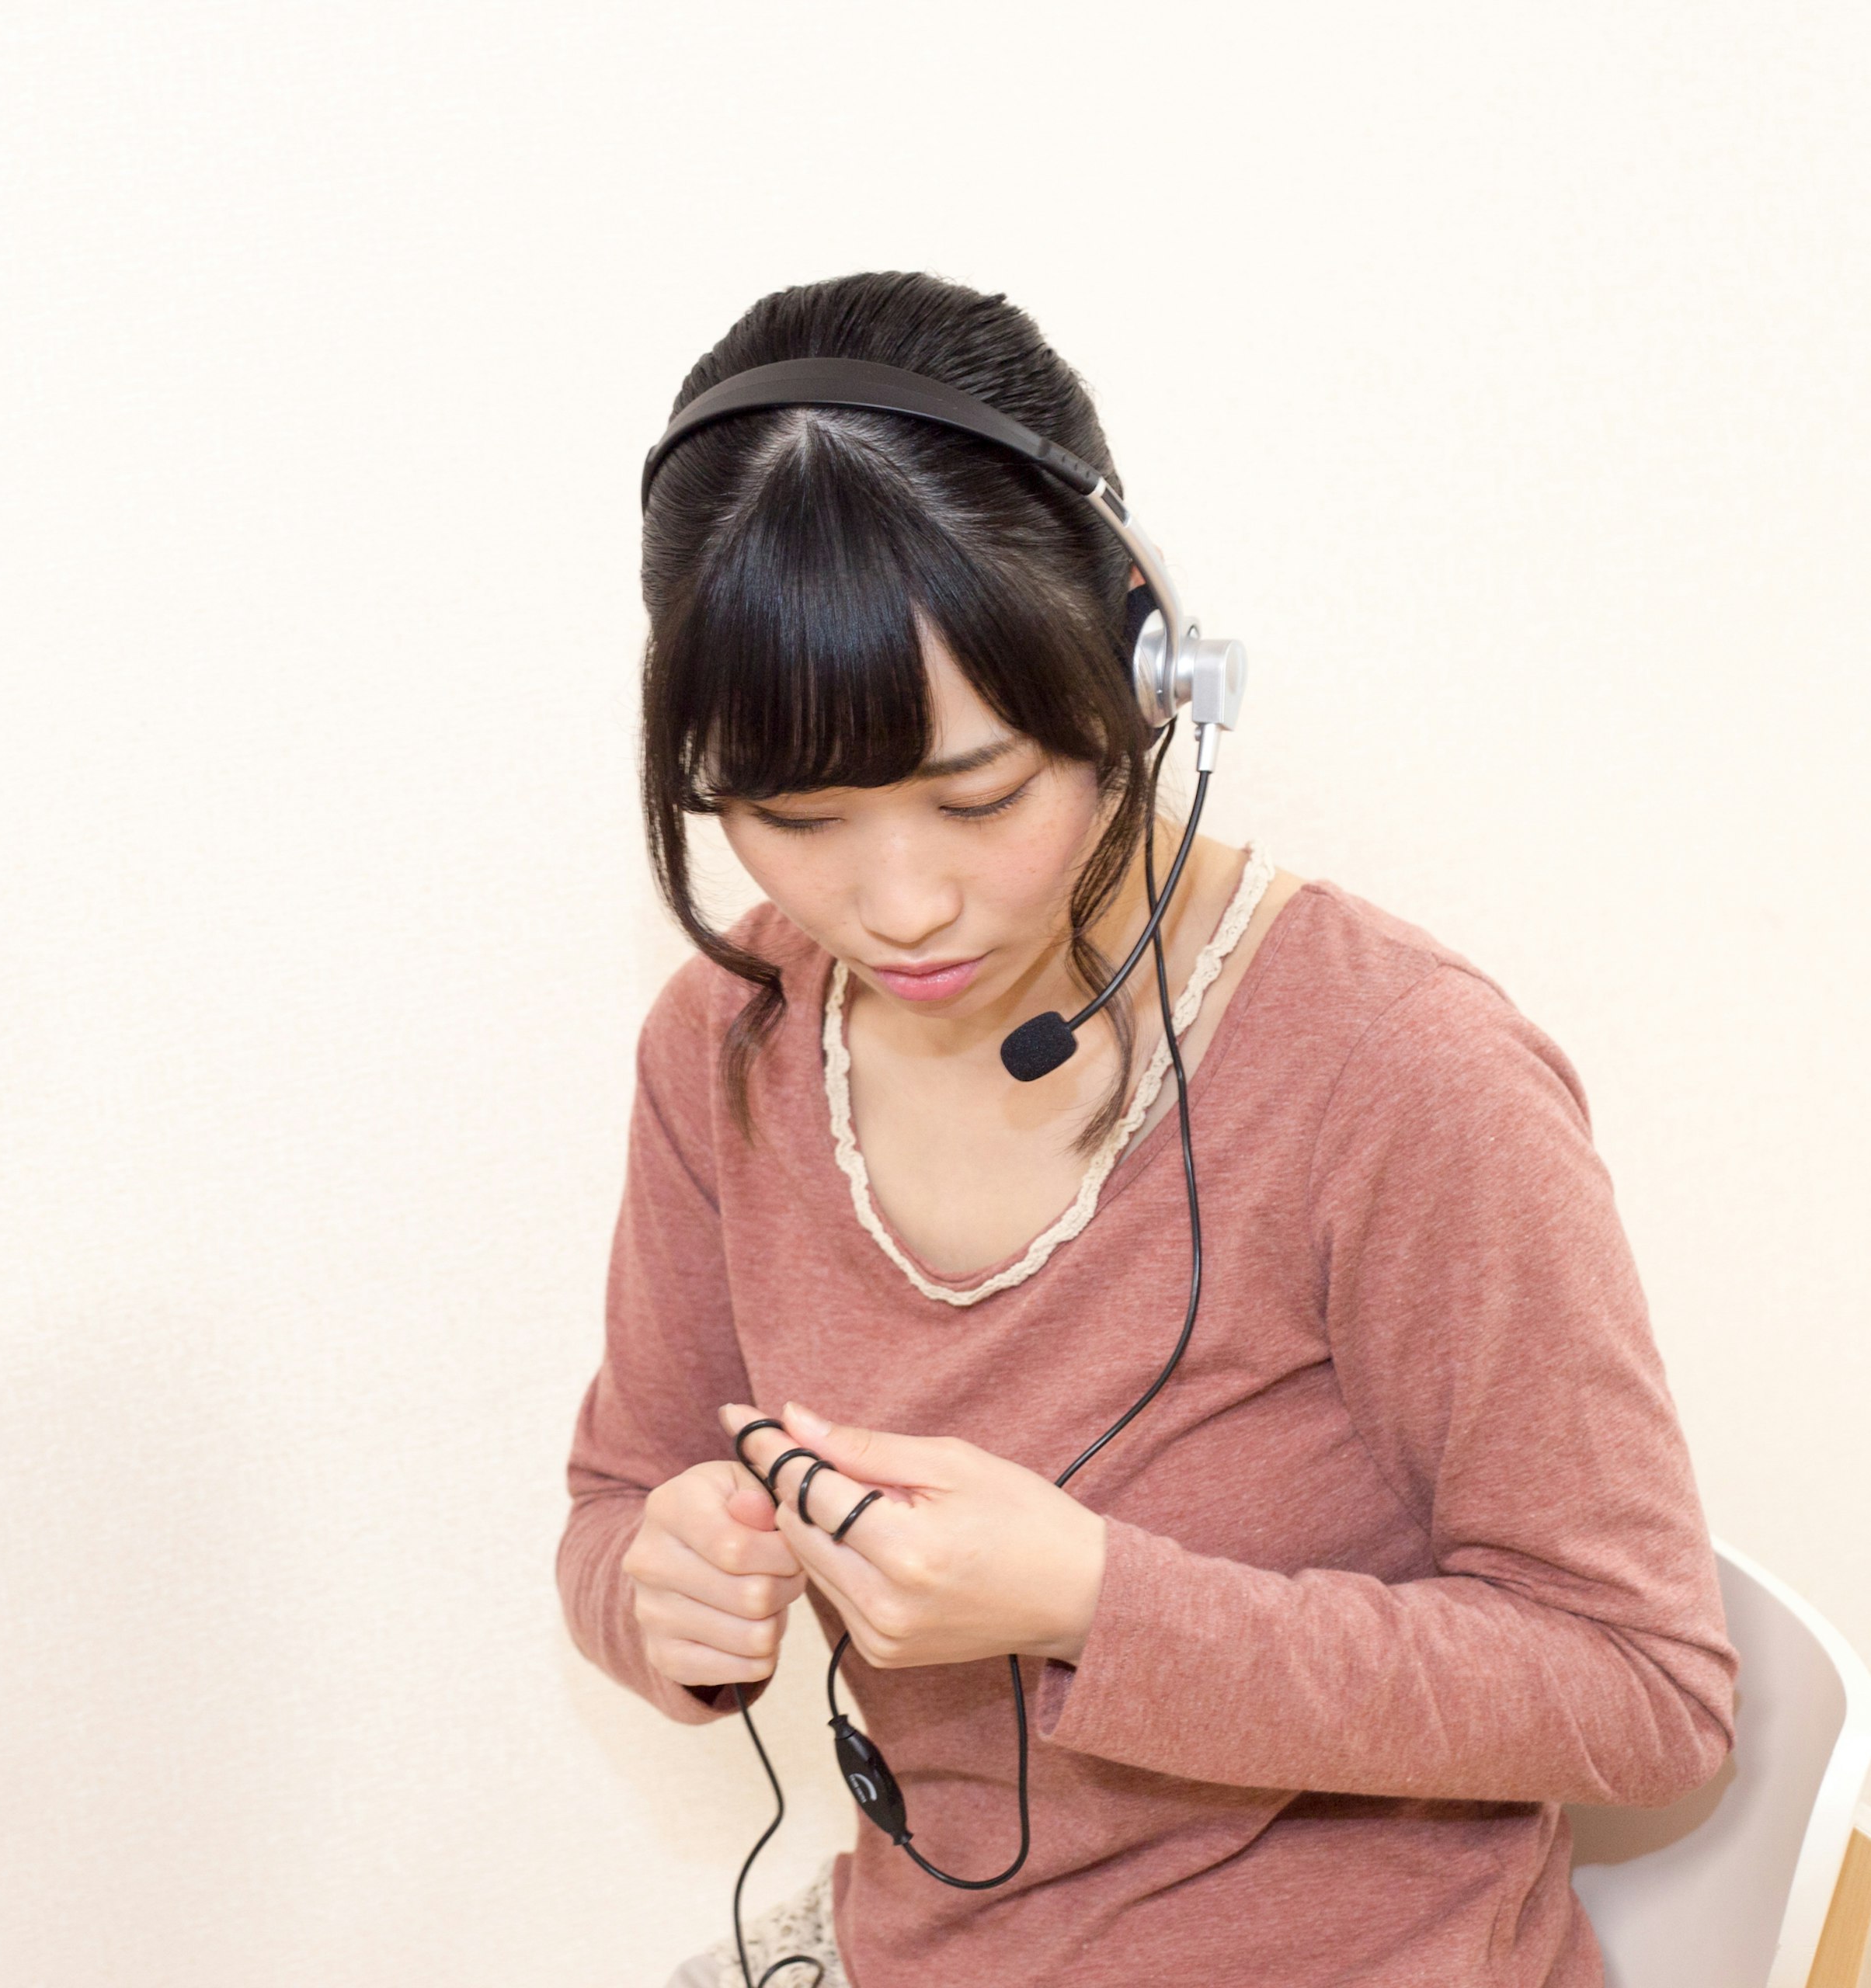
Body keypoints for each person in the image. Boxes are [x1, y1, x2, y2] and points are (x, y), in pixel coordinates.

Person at [555, 270, 1737, 1988]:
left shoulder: (1405, 1075)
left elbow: (1645, 1684)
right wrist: (662, 1593)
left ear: (1144, 677)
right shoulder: (727, 1043)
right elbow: (618, 1495)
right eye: (794, 814)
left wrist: (1098, 1598)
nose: (897, 903)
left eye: (980, 796)